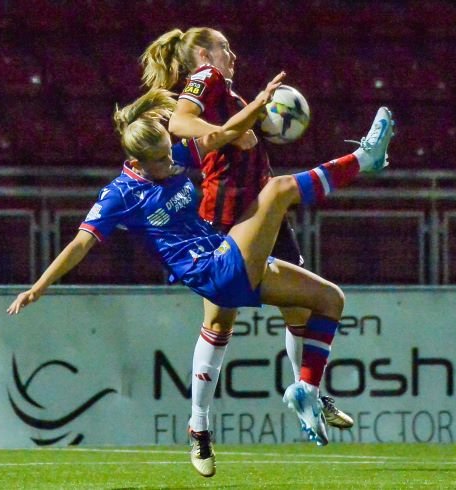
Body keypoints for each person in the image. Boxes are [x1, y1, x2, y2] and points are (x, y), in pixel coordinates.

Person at [7, 87, 395, 477]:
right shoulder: (118, 195)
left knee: (330, 299)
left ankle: (307, 392)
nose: (171, 163)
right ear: (136, 162)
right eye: (160, 159)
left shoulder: (170, 155)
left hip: (224, 253)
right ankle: (366, 158)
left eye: (169, 152)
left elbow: (218, 135)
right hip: (211, 271)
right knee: (277, 192)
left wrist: (256, 108)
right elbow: (79, 244)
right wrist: (39, 286)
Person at [139, 26, 353, 430]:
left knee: (302, 309)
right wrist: (228, 134)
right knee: (220, 321)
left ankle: (307, 394)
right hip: (225, 220)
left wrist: (246, 120)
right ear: (203, 53)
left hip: (260, 214)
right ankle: (198, 424)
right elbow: (180, 123)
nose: (232, 54)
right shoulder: (207, 77)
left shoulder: (229, 93)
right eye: (224, 46)